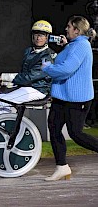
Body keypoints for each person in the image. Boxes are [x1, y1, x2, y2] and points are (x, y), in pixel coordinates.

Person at [41, 15, 98, 181]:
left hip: (76, 99)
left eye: (69, 26)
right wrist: (65, 47)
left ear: (77, 30)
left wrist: (48, 68)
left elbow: (66, 69)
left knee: (76, 133)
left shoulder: (81, 46)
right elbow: (65, 61)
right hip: (63, 97)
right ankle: (62, 167)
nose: (65, 29)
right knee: (54, 128)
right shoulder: (73, 45)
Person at [0, 20, 56, 119]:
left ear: (47, 37)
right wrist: (6, 83)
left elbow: (30, 77)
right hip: (27, 87)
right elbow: (23, 75)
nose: (38, 37)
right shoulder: (29, 52)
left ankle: (1, 127)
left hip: (38, 90)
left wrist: (4, 77)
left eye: (42, 35)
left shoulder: (48, 57)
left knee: (4, 101)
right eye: (36, 34)